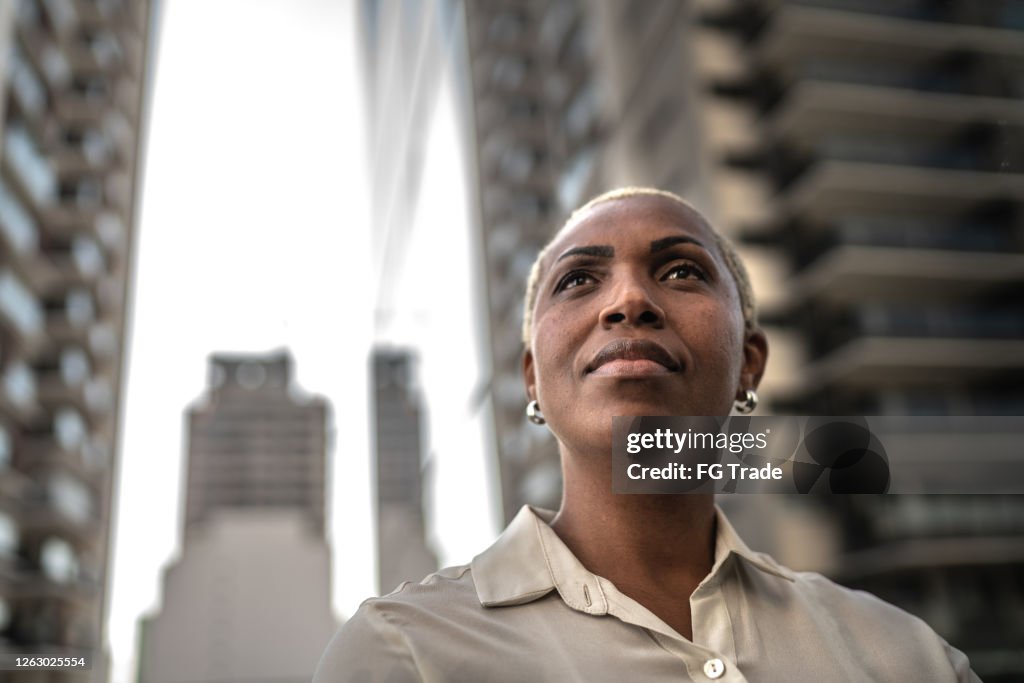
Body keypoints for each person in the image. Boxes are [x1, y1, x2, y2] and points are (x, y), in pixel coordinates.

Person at [314, 188, 979, 682]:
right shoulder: (400, 654)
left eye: (682, 270)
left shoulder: (907, 657)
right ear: (532, 381)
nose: (628, 299)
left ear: (749, 361)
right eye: (578, 280)